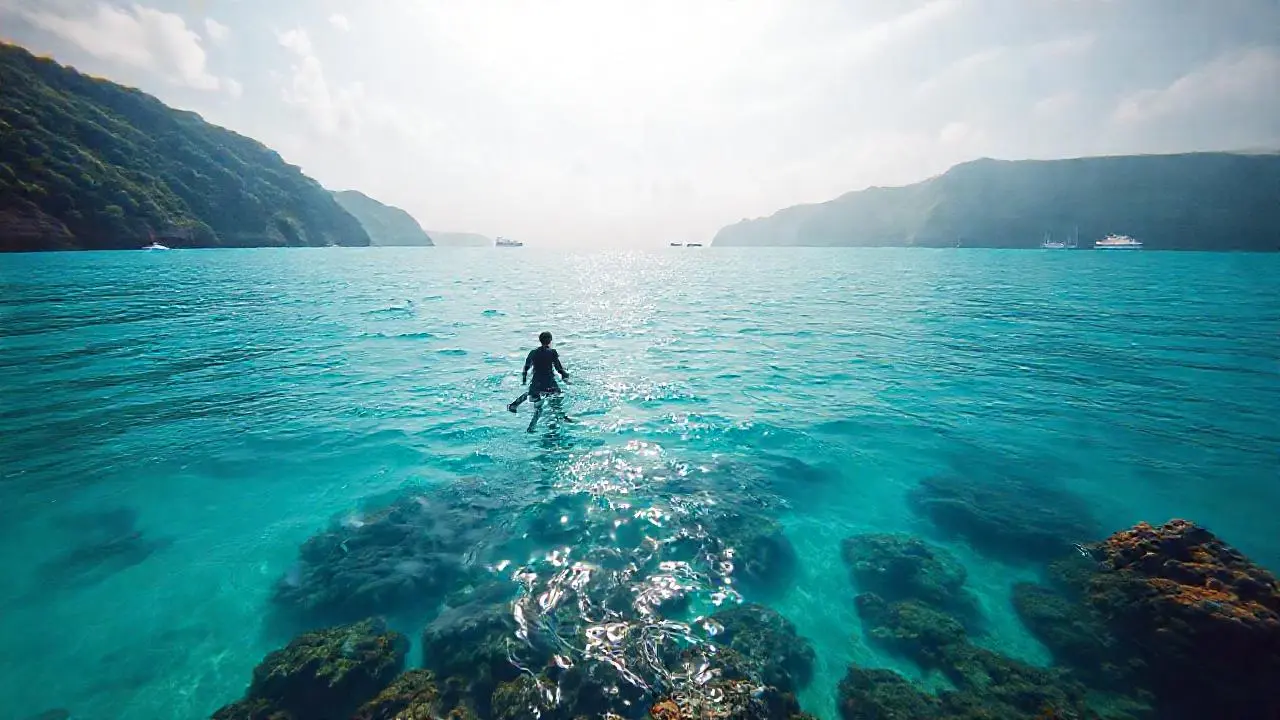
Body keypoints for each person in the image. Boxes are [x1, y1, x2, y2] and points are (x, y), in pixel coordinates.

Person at [508, 331, 573, 430]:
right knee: (556, 397)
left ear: (540, 340)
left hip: (537, 381)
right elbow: (558, 368)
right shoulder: (552, 352)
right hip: (549, 381)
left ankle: (527, 422)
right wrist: (566, 376)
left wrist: (524, 379)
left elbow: (526, 366)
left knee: (536, 401)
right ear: (550, 341)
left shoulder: (533, 352)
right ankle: (561, 416)